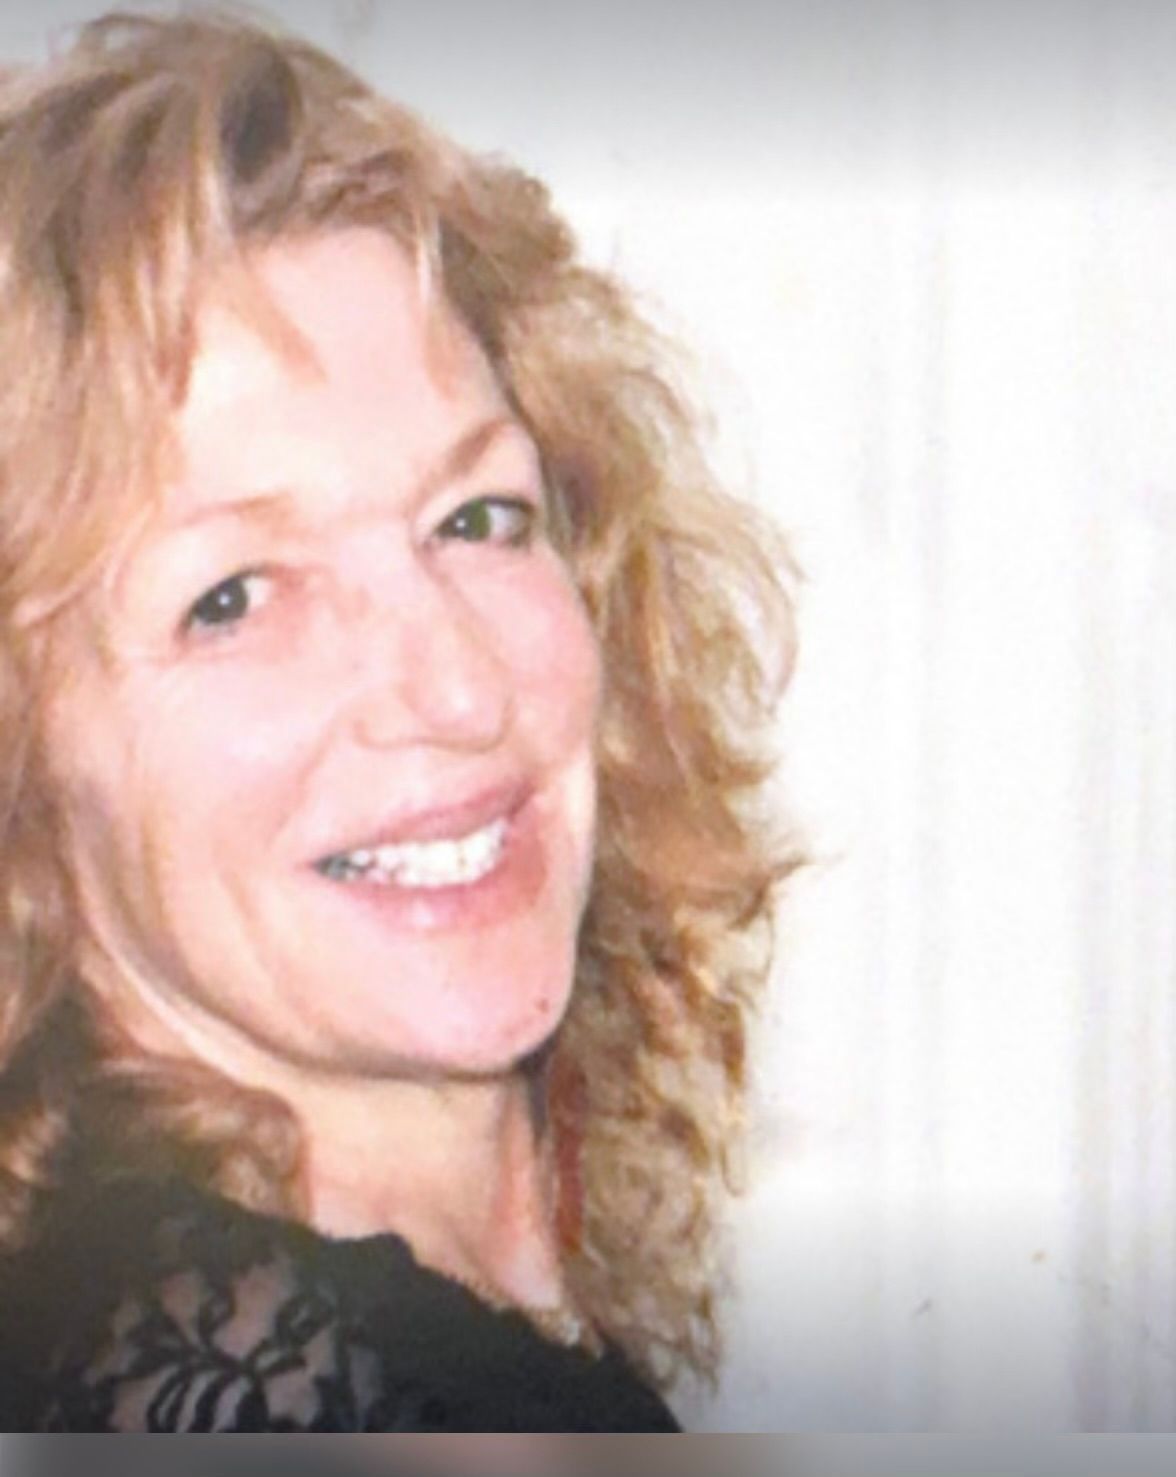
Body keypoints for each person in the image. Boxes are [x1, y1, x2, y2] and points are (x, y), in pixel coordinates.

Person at [0, 8, 797, 1432]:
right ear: (28, 770)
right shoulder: (287, 1385)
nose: (457, 689)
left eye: (476, 518)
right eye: (233, 598)